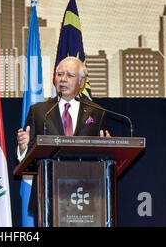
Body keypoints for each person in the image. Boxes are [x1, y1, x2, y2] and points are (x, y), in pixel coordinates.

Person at [17, 56, 110, 225]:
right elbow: (29, 157)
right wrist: (23, 149)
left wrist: (108, 149)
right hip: (48, 195)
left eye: (70, 75)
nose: (63, 79)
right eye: (60, 74)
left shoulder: (97, 113)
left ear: (81, 83)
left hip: (87, 195)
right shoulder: (39, 111)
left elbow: (101, 157)